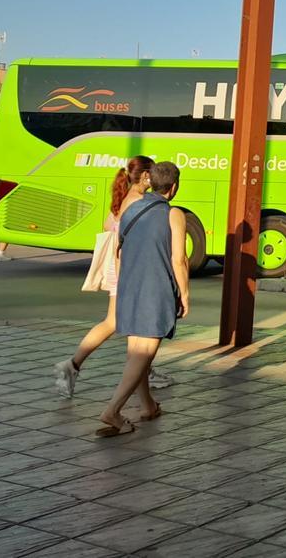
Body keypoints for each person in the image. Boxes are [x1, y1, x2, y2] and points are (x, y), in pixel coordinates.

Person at [53, 157, 173, 398]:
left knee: (120, 322)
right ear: (146, 176)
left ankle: (139, 371)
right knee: (123, 323)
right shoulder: (139, 201)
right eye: (152, 174)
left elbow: (109, 225)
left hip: (120, 266)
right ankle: (76, 365)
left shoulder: (124, 197)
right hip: (128, 269)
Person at [97, 161, 189, 437]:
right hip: (155, 290)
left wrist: (124, 285)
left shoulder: (130, 208)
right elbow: (179, 259)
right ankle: (113, 410)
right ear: (174, 187)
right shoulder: (174, 214)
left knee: (138, 354)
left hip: (129, 288)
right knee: (144, 354)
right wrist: (184, 294)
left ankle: (148, 406)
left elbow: (119, 252)